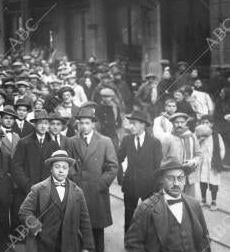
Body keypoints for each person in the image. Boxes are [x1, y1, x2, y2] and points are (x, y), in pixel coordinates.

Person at [125, 157, 211, 252]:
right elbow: (133, 244)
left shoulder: (194, 204)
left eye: (180, 178)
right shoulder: (146, 208)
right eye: (170, 178)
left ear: (185, 179)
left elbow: (205, 239)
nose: (176, 183)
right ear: (161, 179)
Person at [19, 150, 94, 252]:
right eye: (57, 167)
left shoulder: (77, 191)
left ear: (68, 170)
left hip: (70, 244)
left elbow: (85, 220)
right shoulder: (38, 189)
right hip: (45, 244)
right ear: (50, 168)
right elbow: (24, 211)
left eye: (64, 167)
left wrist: (87, 247)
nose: (61, 170)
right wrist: (34, 225)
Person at [65, 107, 118, 252]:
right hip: (78, 190)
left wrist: (101, 184)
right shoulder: (71, 141)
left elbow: (112, 166)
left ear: (93, 124)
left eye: (87, 123)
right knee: (79, 230)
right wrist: (75, 180)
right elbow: (68, 164)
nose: (84, 126)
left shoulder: (105, 141)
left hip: (97, 192)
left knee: (97, 230)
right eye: (81, 123)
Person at [12, 110, 60, 228]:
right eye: (40, 123)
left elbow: (57, 166)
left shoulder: (53, 144)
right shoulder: (24, 142)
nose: (43, 126)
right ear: (34, 124)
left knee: (46, 222)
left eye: (46, 123)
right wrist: (26, 184)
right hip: (29, 189)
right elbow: (16, 166)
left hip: (47, 190)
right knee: (30, 223)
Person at [117, 110, 162, 233]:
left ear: (143, 125)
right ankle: (129, 240)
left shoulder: (154, 143)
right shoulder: (127, 140)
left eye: (134, 123)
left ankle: (147, 241)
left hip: (149, 185)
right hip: (130, 184)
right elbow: (117, 159)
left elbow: (159, 167)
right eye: (130, 123)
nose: (130, 126)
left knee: (148, 215)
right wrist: (119, 175)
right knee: (129, 214)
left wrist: (157, 186)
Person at [162, 112, 201, 196]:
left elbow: (198, 155)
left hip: (189, 177)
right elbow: (162, 158)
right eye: (176, 122)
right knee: (174, 201)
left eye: (182, 122)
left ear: (186, 123)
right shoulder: (168, 138)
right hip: (174, 178)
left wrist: (193, 161)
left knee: (189, 202)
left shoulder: (192, 137)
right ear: (172, 123)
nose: (179, 124)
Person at [195, 116, 225, 210]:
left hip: (213, 162)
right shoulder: (197, 135)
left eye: (207, 122)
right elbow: (194, 147)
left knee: (214, 182)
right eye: (202, 122)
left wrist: (218, 159)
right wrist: (199, 140)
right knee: (202, 181)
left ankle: (213, 201)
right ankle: (203, 199)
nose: (205, 125)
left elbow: (222, 148)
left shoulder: (216, 135)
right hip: (203, 162)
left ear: (211, 124)